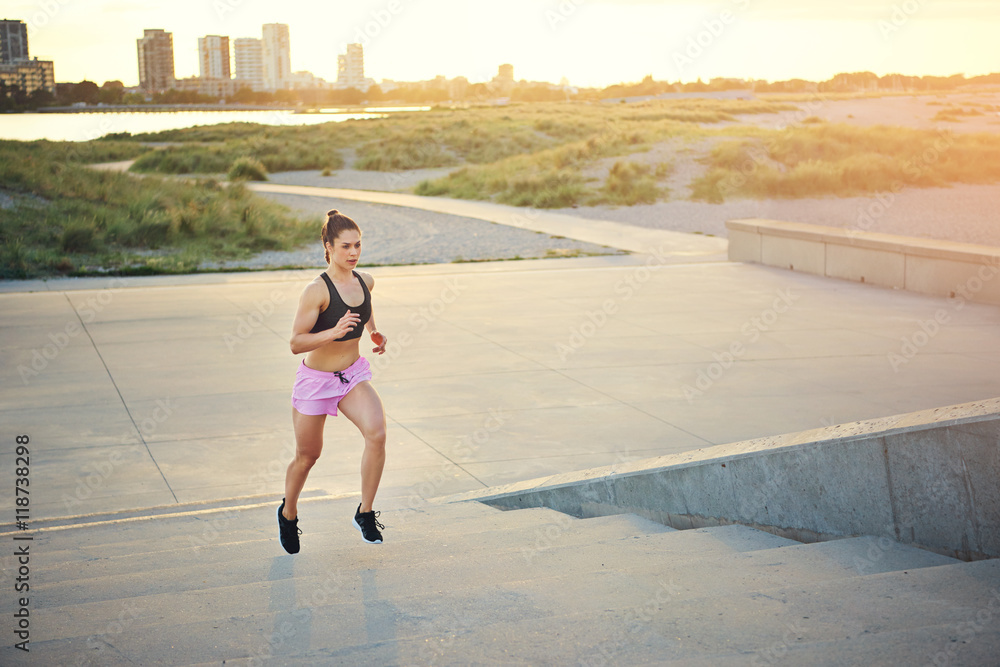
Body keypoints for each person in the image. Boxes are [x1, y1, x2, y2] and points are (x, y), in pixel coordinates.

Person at [278, 209, 388, 553]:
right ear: (328, 246)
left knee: (377, 433)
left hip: (351, 376)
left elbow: (366, 308)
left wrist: (374, 331)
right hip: (316, 381)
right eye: (345, 247)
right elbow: (296, 343)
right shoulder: (316, 291)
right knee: (308, 456)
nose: (353, 253)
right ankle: (288, 513)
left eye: (357, 245)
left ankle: (365, 512)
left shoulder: (365, 280)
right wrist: (333, 332)